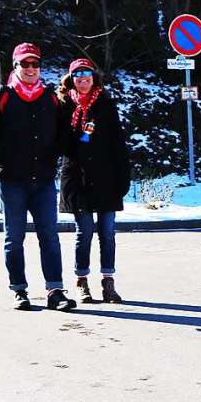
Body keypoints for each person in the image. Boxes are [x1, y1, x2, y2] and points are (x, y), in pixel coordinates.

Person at [0, 42, 77, 311]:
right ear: (15, 66)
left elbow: (64, 136)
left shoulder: (51, 98)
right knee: (14, 238)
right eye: (25, 64)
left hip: (43, 180)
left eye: (35, 64)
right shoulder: (1, 97)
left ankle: (55, 290)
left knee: (50, 236)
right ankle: (19, 290)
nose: (31, 69)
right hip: (12, 181)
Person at [58, 58, 131, 304]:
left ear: (93, 76)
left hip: (106, 180)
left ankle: (108, 283)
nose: (82, 78)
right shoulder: (64, 105)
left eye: (86, 73)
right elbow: (60, 145)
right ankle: (81, 281)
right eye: (77, 75)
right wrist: (79, 134)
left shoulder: (106, 105)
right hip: (77, 180)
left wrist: (123, 178)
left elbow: (118, 144)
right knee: (85, 232)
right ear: (71, 79)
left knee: (107, 232)